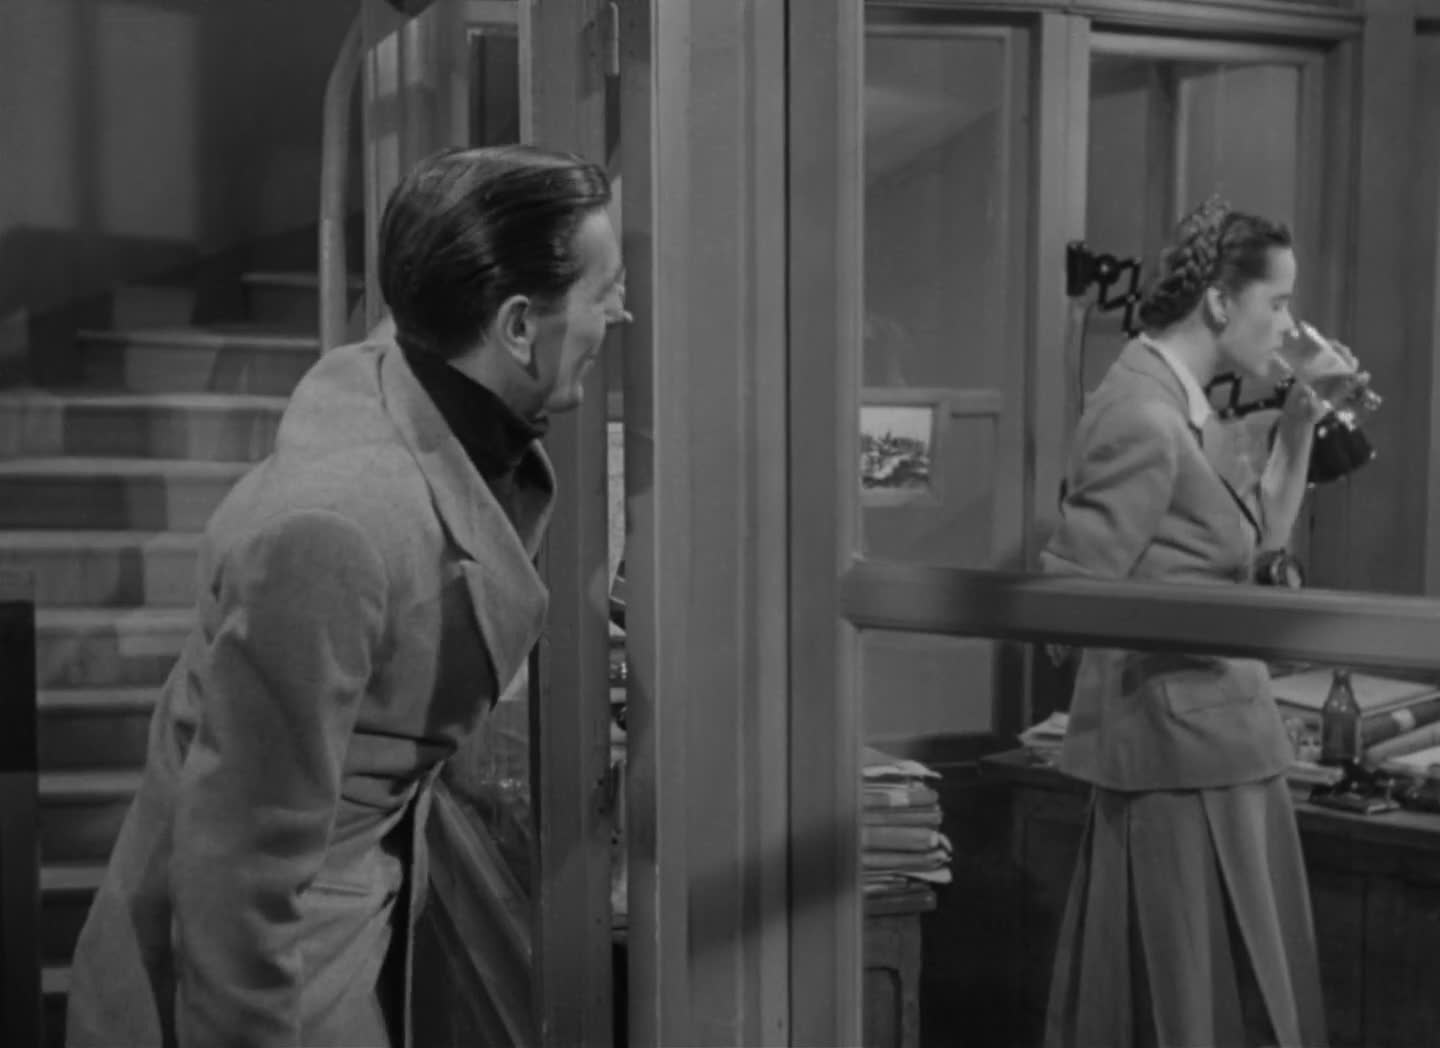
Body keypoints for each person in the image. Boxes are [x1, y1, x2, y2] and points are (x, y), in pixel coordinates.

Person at [65, 143, 630, 1047]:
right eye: (604, 293)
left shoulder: (413, 366)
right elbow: (238, 868)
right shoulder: (332, 532)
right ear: (520, 326)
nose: (620, 315)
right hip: (272, 974)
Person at [1042, 198, 1342, 1048]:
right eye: (1276, 303)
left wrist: (1300, 420)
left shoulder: (1183, 400)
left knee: (1233, 1004)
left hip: (1222, 748)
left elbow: (1257, 539)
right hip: (1177, 762)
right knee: (1186, 1006)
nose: (1287, 326)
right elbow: (1066, 605)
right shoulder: (1141, 413)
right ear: (1218, 302)